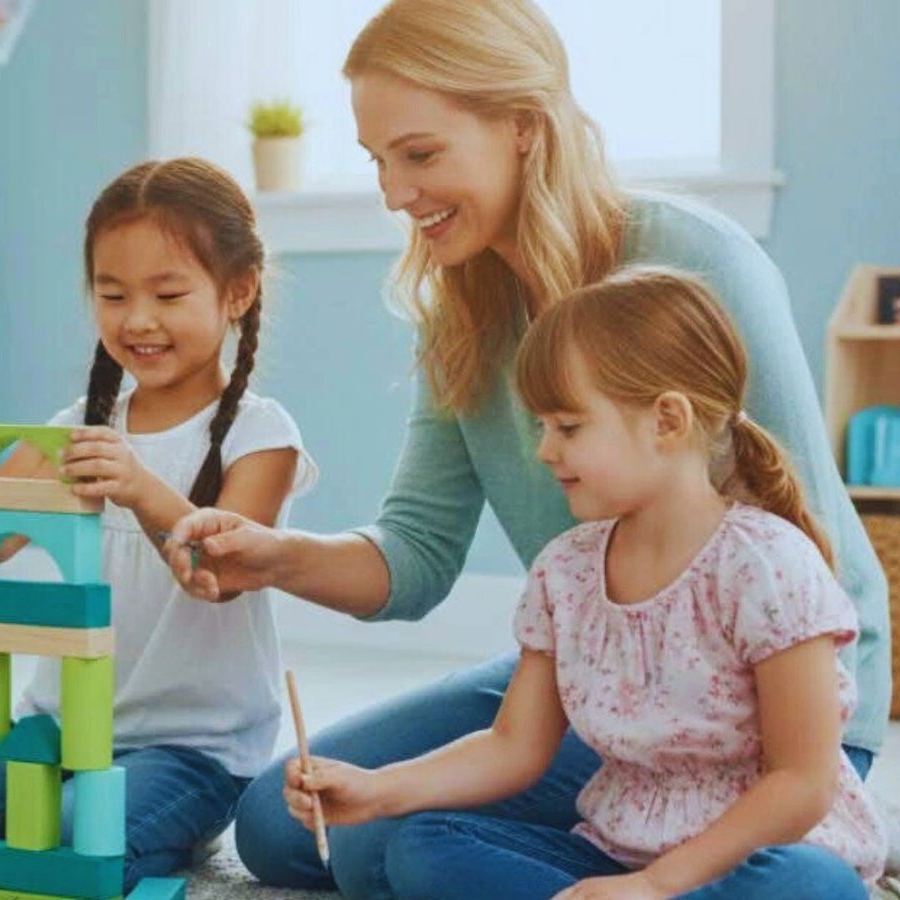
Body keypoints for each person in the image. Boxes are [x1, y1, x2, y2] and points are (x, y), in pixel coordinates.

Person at [164, 1, 890, 896]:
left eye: (420, 154)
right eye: (377, 162)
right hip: (598, 680)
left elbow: (798, 528)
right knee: (293, 826)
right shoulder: (461, 313)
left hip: (764, 705)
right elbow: (418, 555)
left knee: (396, 853)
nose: (393, 194)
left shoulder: (692, 261)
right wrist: (276, 557)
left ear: (523, 126)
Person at [284, 267, 885, 899]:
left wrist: (658, 886)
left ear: (668, 421)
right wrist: (377, 789)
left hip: (747, 862)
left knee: (811, 883)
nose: (543, 450)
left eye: (567, 427)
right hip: (613, 862)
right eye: (541, 425)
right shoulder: (565, 571)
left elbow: (802, 783)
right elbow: (514, 745)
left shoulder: (767, 566)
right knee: (419, 848)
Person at [0, 157, 317, 891]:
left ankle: (144, 828)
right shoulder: (77, 428)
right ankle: (49, 810)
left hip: (192, 751)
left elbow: (219, 573)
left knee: (63, 837)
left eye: (168, 293)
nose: (137, 319)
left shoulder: (261, 435)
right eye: (112, 293)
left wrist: (140, 488)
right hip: (52, 731)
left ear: (238, 291)